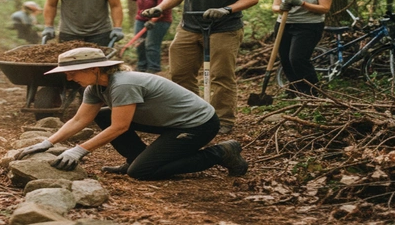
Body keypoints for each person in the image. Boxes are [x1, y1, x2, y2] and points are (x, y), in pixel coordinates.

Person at [15, 47, 248, 180]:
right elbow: (79, 119)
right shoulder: (95, 87)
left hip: (197, 124)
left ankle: (221, 152)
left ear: (95, 68)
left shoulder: (123, 84)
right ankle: (134, 158)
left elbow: (120, 128)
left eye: (72, 72)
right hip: (168, 122)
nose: (68, 77)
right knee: (103, 115)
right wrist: (47, 142)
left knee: (142, 172)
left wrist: (79, 150)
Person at [142, 0, 258, 134]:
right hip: (189, 27)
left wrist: (225, 9)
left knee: (221, 75)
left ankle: (223, 120)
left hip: (224, 29)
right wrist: (160, 8)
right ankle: (191, 116)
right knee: (180, 73)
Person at [272, 0, 334, 96]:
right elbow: (274, 7)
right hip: (284, 24)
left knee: (297, 58)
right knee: (286, 59)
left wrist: (301, 3)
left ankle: (312, 91)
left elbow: (324, 8)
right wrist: (281, 7)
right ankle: (294, 89)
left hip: (308, 26)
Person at [121, 0, 173, 74]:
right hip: (141, 19)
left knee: (151, 44)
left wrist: (152, 20)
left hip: (160, 21)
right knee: (139, 43)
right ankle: (141, 67)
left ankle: (153, 68)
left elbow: (163, 8)